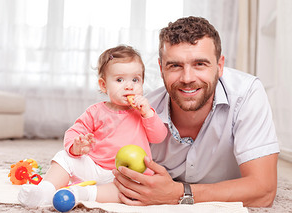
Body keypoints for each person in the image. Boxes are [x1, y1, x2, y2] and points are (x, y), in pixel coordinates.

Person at [112, 16, 280, 207]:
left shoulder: (247, 94)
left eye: (200, 64)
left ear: (219, 66)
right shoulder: (143, 111)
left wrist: (180, 193)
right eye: (175, 65)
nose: (187, 78)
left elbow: (263, 192)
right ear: (161, 69)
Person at [18, 45, 167, 207]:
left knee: (132, 191)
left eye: (135, 80)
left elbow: (159, 137)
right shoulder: (95, 111)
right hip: (95, 166)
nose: (129, 86)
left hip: (124, 174)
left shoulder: (143, 112)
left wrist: (148, 114)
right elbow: (74, 131)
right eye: (119, 80)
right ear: (104, 85)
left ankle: (81, 193)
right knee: (63, 157)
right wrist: (76, 146)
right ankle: (45, 190)